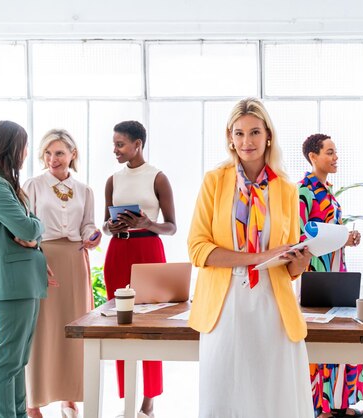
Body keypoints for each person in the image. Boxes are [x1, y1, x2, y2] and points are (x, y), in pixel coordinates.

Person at [187, 97, 315, 418]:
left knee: (271, 397)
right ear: (230, 137)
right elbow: (198, 248)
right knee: (224, 395)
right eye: (239, 133)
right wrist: (258, 256)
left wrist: (301, 258)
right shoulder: (214, 181)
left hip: (273, 303)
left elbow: (289, 265)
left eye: (255, 132)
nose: (247, 141)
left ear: (268, 135)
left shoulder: (286, 188)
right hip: (225, 301)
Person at [0, 120, 56, 418]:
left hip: (22, 283)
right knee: (7, 362)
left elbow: (28, 232)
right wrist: (36, 229)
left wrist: (33, 234)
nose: (28, 152)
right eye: (25, 145)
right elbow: (28, 228)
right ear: (11, 147)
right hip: (10, 285)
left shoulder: (5, 184)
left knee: (18, 362)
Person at [22, 129, 101, 418]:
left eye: (58, 153)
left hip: (75, 260)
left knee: (75, 327)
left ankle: (70, 397)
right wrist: (35, 256)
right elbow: (25, 226)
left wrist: (93, 234)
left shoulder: (85, 190)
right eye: (47, 153)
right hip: (43, 258)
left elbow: (88, 224)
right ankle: (34, 401)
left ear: (72, 154)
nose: (52, 159)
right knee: (42, 330)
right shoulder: (32, 186)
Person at [102, 120, 177, 418]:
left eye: (120, 144)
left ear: (138, 144)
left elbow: (171, 227)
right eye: (114, 144)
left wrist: (148, 223)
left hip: (148, 251)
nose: (115, 150)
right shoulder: (113, 179)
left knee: (150, 325)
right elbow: (105, 225)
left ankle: (149, 400)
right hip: (118, 251)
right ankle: (128, 398)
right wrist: (110, 225)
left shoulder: (157, 177)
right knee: (121, 325)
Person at [298, 133, 363, 418]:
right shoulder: (304, 190)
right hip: (317, 272)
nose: (335, 157)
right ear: (313, 157)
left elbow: (328, 232)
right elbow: (302, 233)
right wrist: (339, 235)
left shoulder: (328, 193)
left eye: (335, 152)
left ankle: (339, 401)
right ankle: (322, 407)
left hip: (337, 270)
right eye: (329, 152)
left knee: (343, 331)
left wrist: (347, 238)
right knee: (322, 335)